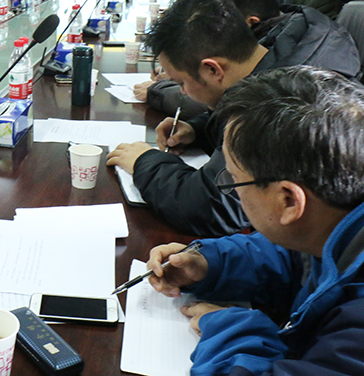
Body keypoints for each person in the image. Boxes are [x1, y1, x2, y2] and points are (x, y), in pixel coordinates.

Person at [146, 66, 364, 375]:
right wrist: (210, 263)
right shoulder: (333, 221)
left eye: (233, 179)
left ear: (289, 201)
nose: (232, 189)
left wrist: (234, 330)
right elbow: (295, 257)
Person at [105, 0, 357, 237]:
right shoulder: (277, 49)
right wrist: (198, 129)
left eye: (181, 82)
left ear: (212, 70)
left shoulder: (279, 108)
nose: (181, 92)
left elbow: (209, 208)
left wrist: (144, 162)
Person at [139, 0, 359, 119]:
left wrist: (143, 160)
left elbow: (215, 178)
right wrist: (198, 130)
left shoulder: (280, 99)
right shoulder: (286, 35)